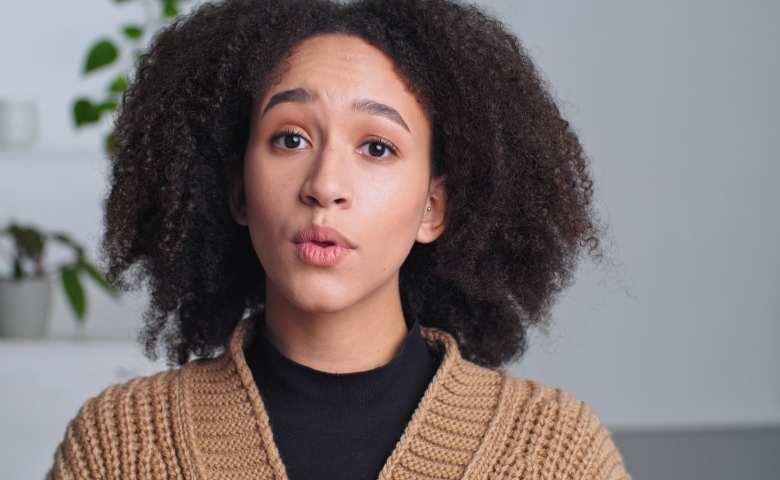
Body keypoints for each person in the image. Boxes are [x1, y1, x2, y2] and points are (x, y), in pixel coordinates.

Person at [48, 0, 630, 478]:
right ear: (238, 192)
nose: (325, 185)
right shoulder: (119, 448)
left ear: (434, 208)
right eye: (290, 139)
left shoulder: (556, 454)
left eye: (377, 147)